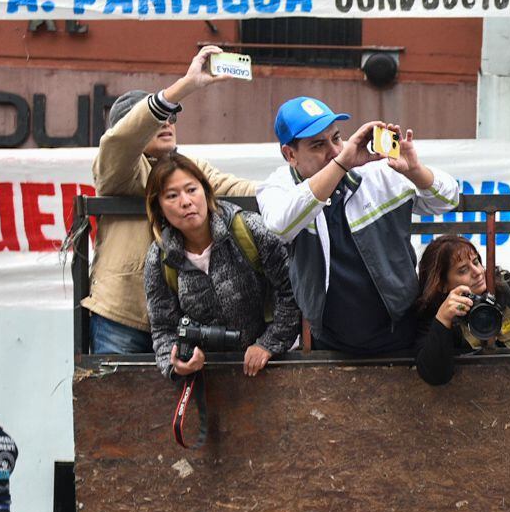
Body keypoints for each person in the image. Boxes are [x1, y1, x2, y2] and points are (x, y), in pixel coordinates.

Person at [84, 45, 258, 353]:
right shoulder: (119, 167)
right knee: (117, 401)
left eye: (172, 117)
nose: (167, 122)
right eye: (157, 119)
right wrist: (182, 89)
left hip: (180, 319)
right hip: (123, 317)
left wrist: (306, 190)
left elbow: (237, 188)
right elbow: (119, 143)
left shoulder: (188, 169)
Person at [257, 99, 461, 358]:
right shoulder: (277, 185)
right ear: (290, 155)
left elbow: (448, 199)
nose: (333, 151)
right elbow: (280, 225)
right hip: (329, 343)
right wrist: (341, 164)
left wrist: (416, 171)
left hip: (401, 330)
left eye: (336, 138)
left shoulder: (378, 171)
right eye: (318, 145)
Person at [144, 154, 301, 380]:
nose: (186, 201)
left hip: (273, 368)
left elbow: (292, 291)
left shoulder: (248, 228)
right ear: (158, 207)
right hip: (208, 380)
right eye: (171, 195)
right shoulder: (159, 258)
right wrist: (178, 362)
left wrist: (267, 345)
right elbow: (163, 328)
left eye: (191, 190)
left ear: (206, 192)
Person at [413, 234, 510, 386]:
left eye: (476, 262)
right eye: (463, 270)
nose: (477, 272)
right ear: (442, 284)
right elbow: (434, 375)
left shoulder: (508, 286)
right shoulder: (433, 312)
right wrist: (443, 319)